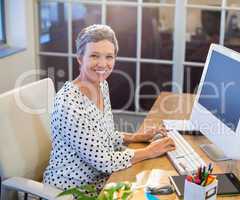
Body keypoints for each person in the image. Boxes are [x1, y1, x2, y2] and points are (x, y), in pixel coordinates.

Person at [43, 24, 176, 191]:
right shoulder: (69, 103)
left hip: (102, 180)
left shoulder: (101, 85)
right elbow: (104, 161)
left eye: (109, 57)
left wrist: (139, 137)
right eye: (94, 56)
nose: (102, 64)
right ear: (79, 58)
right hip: (73, 190)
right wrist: (149, 151)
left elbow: (103, 135)